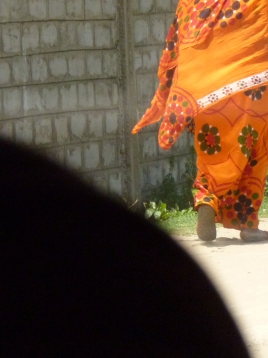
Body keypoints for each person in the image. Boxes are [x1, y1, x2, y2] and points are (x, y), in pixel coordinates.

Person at [0, 138, 250, 357]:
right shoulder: (138, 254)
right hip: (246, 125)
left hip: (209, 125)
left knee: (211, 167)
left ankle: (207, 196)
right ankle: (247, 222)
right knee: (247, 164)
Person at [133, 0, 268, 243]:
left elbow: (176, 47)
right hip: (253, 93)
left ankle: (207, 199)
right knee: (254, 152)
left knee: (212, 152)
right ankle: (247, 223)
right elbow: (267, 42)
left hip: (205, 95)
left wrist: (176, 90)